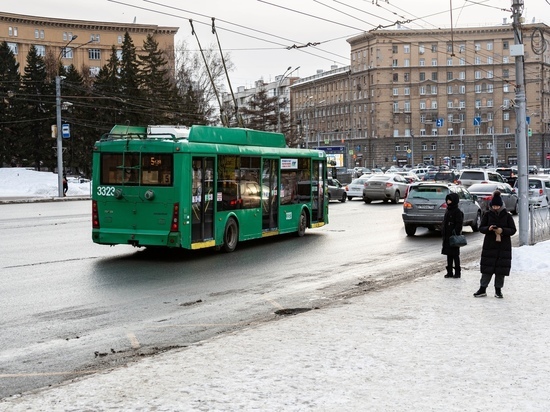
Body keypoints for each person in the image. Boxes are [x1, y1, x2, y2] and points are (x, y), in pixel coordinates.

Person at [474, 190, 517, 298]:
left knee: (500, 270)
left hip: (503, 246)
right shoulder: (488, 215)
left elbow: (513, 230)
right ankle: (482, 288)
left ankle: (498, 290)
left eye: (498, 206)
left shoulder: (507, 216)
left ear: (501, 205)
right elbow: (481, 228)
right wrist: (488, 229)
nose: (496, 208)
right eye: (494, 206)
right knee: (487, 269)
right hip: (490, 245)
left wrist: (502, 231)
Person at [441, 192, 464, 278]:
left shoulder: (457, 211)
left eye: (450, 200)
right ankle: (449, 271)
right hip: (447, 236)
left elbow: (459, 224)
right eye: (447, 200)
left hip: (453, 237)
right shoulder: (448, 210)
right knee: (448, 255)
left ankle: (457, 272)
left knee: (455, 255)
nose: (448, 201)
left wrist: (455, 232)